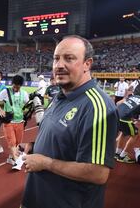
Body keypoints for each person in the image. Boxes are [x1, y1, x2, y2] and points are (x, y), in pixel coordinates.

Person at [21, 35, 118, 208]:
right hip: (36, 198)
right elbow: (64, 139)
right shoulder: (59, 96)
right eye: (56, 59)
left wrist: (45, 162)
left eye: (69, 58)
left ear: (87, 64)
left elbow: (98, 173)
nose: (59, 65)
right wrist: (34, 147)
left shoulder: (97, 106)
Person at [0, 75, 29, 168]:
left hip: (20, 121)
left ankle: (11, 158)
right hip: (9, 122)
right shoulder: (6, 91)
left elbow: (27, 105)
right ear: (12, 84)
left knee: (18, 143)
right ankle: (17, 162)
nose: (16, 88)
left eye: (18, 87)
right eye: (14, 86)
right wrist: (0, 110)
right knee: (12, 142)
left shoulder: (24, 93)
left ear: (21, 86)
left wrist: (26, 110)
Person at [115, 93, 140, 163]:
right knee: (135, 135)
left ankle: (117, 153)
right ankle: (122, 156)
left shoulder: (135, 96)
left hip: (116, 114)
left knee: (124, 132)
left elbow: (118, 103)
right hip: (125, 118)